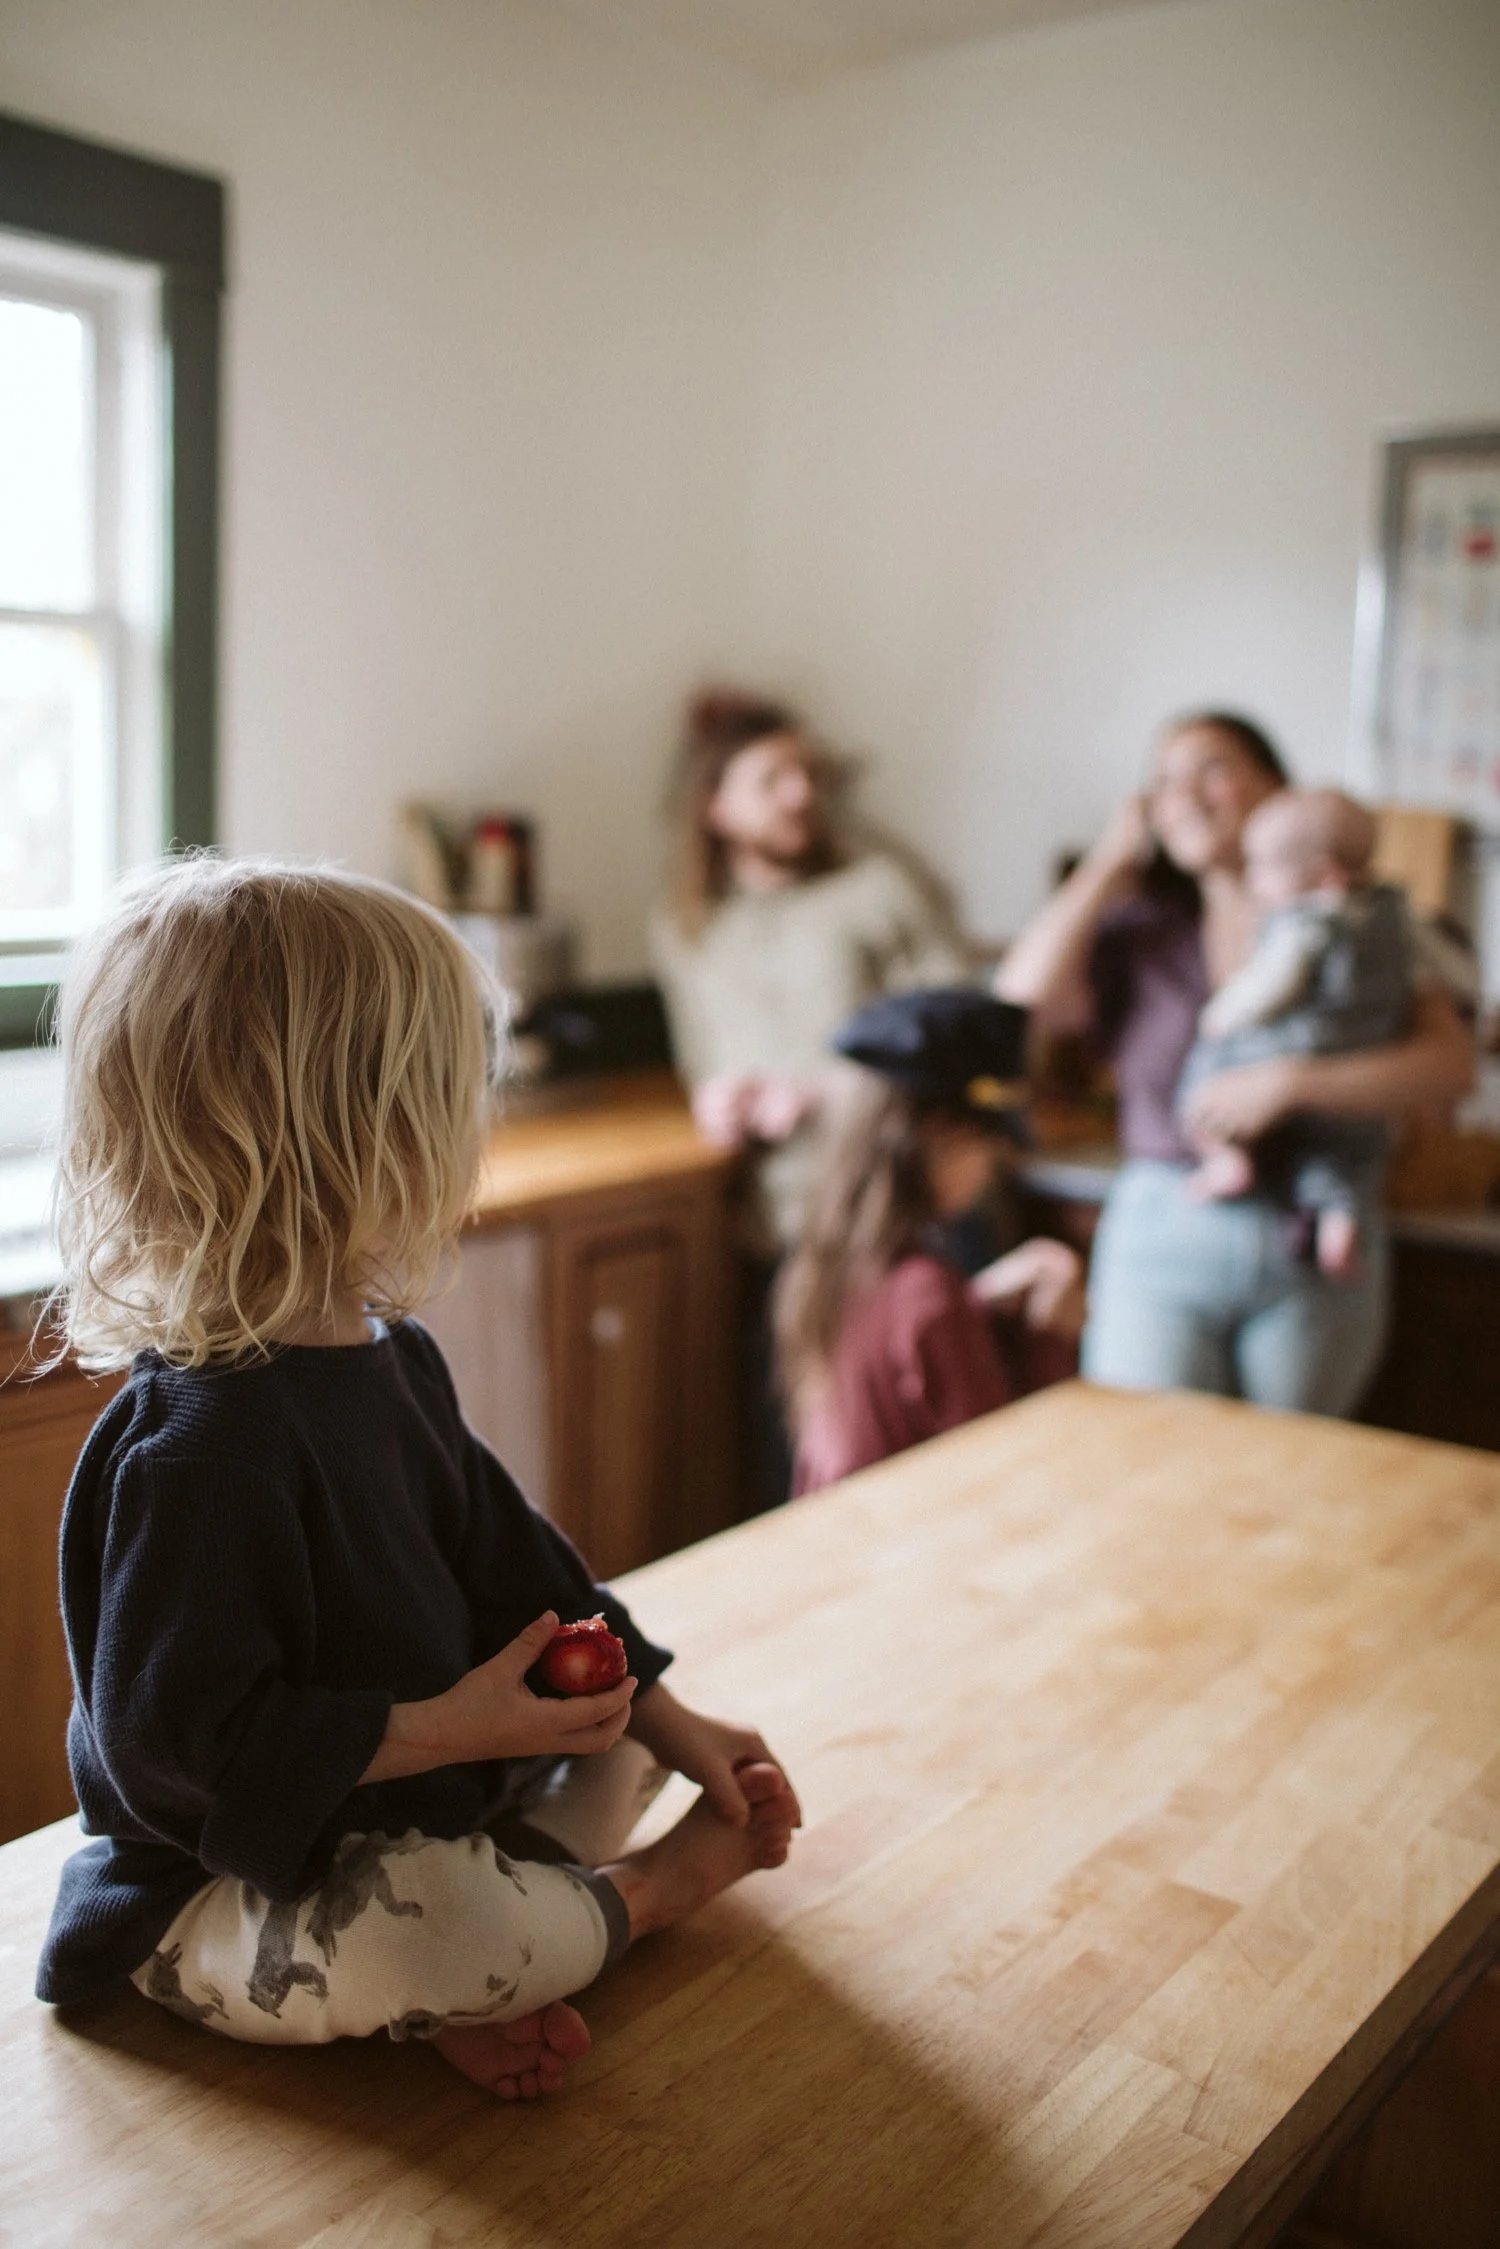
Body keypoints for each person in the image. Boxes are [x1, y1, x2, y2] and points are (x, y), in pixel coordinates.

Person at [35, 858, 800, 2102]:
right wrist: (453, 1728)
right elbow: (176, 1751)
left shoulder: (393, 1359)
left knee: (615, 1752)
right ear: (359, 1139)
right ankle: (631, 1903)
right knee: (437, 1927)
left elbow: (519, 1567)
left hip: (419, 1816)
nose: (475, 1129)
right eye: (455, 1099)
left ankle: (480, 1964)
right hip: (219, 1895)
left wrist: (666, 1711)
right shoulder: (204, 1448)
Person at [995, 710, 1474, 1415]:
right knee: (1145, 1459)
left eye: (1210, 768)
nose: (1183, 793)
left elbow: (1450, 1066)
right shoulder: (1143, 931)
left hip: (1319, 1229)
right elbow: (1017, 1004)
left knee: (1290, 1472)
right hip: (1164, 1229)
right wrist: (1108, 861)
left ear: (1275, 785)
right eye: (1162, 781)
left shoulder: (1367, 920)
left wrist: (1288, 1084)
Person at [651, 689, 972, 1505]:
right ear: (715, 806)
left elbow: (961, 1042)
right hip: (785, 1231)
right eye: (772, 778)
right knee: (803, 1472)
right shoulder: (685, 924)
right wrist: (715, 1102)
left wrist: (822, 1095)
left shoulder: (876, 889)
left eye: (805, 773)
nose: (801, 793)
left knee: (930, 1470)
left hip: (900, 1218)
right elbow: (702, 1059)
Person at [775, 989, 1085, 1496]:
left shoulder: (825, 1265)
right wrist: (1049, 1339)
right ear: (944, 1134)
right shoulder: (929, 1294)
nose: (989, 1172)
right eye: (990, 1148)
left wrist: (979, 1306)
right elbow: (1002, 1475)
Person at [1179, 788, 1414, 1277]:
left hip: (1304, 1043)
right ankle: (1338, 1216)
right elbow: (1443, 969)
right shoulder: (1397, 914)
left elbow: (1274, 983)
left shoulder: (1305, 921)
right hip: (1367, 1051)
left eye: (1263, 866)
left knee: (1210, 1066)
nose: (1254, 878)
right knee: (1341, 1147)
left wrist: (1223, 1015)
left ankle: (1225, 1153)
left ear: (1325, 875)